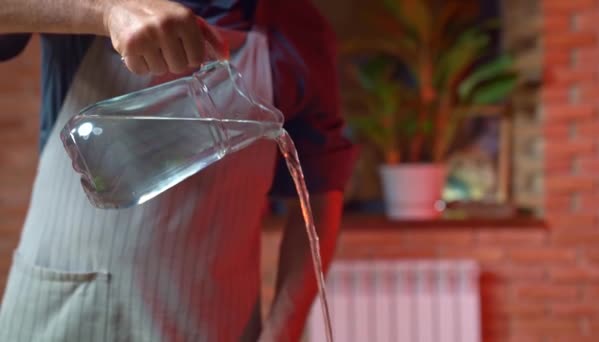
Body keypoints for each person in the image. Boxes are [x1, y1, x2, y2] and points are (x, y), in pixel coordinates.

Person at [0, 0, 355, 341]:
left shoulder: (297, 29)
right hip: (59, 311)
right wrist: (106, 10)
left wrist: (282, 334)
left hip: (213, 322)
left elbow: (320, 195)